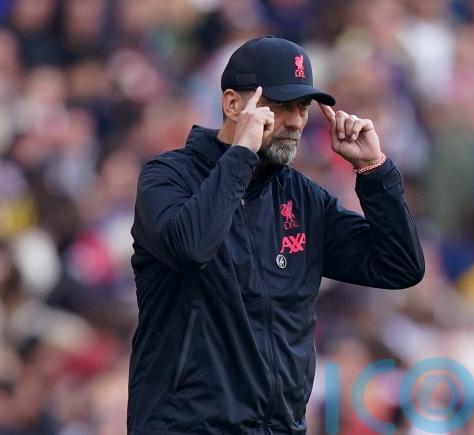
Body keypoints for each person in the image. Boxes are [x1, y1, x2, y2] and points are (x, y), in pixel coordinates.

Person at [127, 35, 425, 435]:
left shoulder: (303, 199)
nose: (296, 121)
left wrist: (374, 172)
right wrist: (241, 154)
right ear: (233, 104)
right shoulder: (168, 177)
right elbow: (191, 248)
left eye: (302, 107)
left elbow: (400, 266)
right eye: (281, 105)